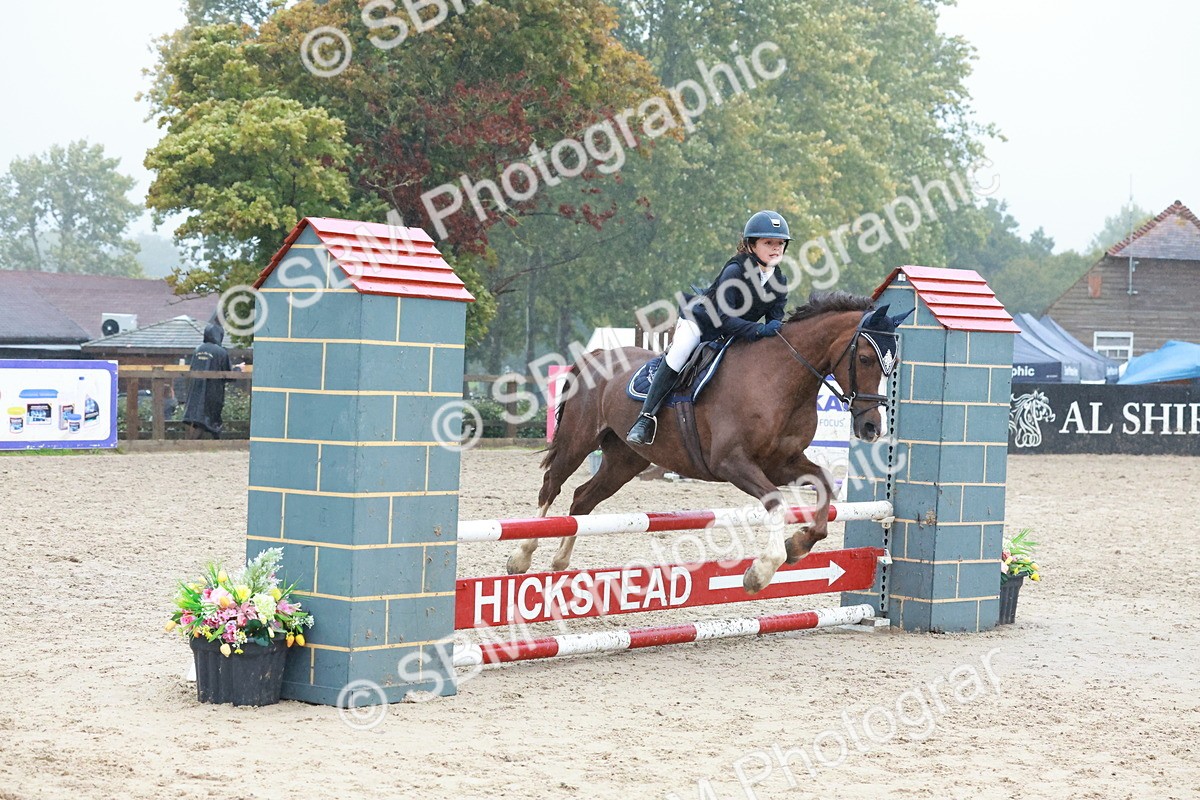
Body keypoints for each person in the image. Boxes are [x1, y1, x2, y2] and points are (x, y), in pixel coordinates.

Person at [626, 210, 791, 445]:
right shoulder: (735, 271)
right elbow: (725, 319)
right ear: (751, 246)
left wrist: (775, 328)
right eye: (768, 243)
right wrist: (758, 330)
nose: (776, 248)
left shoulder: (780, 281)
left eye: (780, 243)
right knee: (681, 351)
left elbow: (774, 319)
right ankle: (645, 418)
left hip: (737, 332)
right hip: (703, 323)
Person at [182, 320, 233, 439]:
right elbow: (228, 374)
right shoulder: (221, 352)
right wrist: (238, 370)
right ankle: (214, 442)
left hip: (195, 390)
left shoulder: (197, 350)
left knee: (197, 419)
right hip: (213, 391)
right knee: (212, 418)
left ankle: (196, 442)